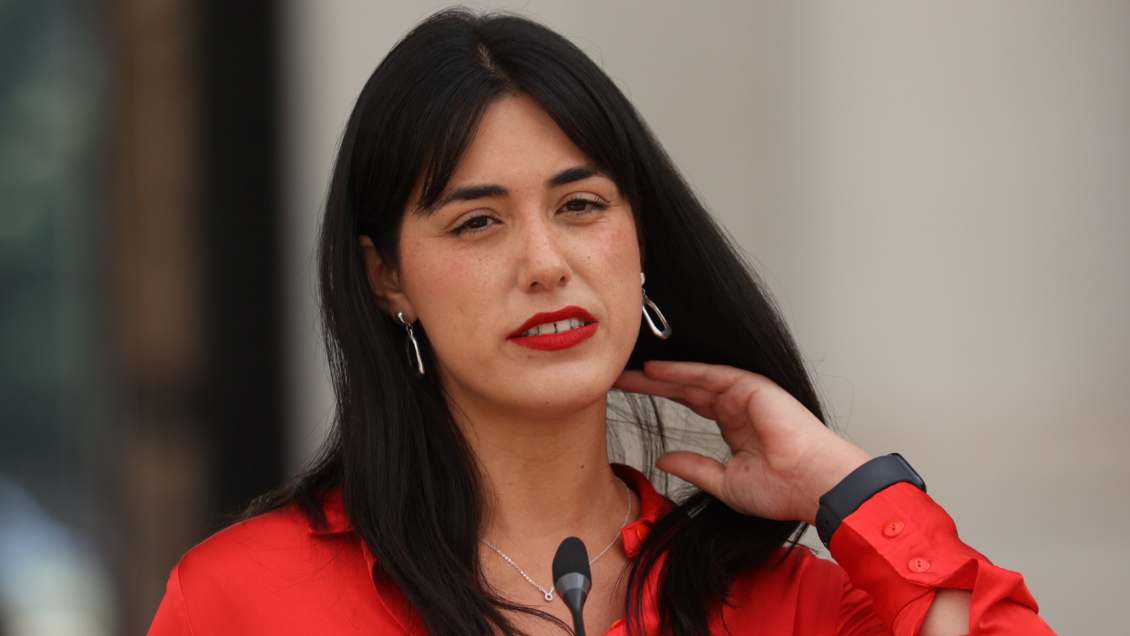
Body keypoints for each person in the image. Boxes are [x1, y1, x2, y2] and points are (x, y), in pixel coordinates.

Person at [147, 9, 1055, 636]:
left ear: (640, 238)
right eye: (478, 221)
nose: (546, 263)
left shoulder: (780, 605)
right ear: (388, 277)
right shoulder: (246, 597)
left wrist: (846, 485)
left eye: (580, 206)